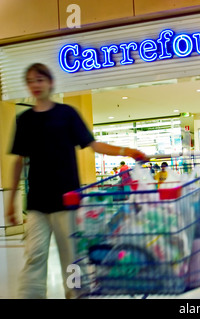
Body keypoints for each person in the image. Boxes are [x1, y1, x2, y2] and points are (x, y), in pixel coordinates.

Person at [6, 63, 148, 299]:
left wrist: (126, 150)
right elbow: (18, 161)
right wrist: (10, 199)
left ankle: (76, 295)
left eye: (40, 79)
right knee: (34, 255)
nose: (35, 85)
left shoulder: (67, 114)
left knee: (71, 258)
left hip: (68, 200)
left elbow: (93, 144)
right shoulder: (25, 120)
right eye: (31, 81)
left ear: (50, 82)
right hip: (37, 203)